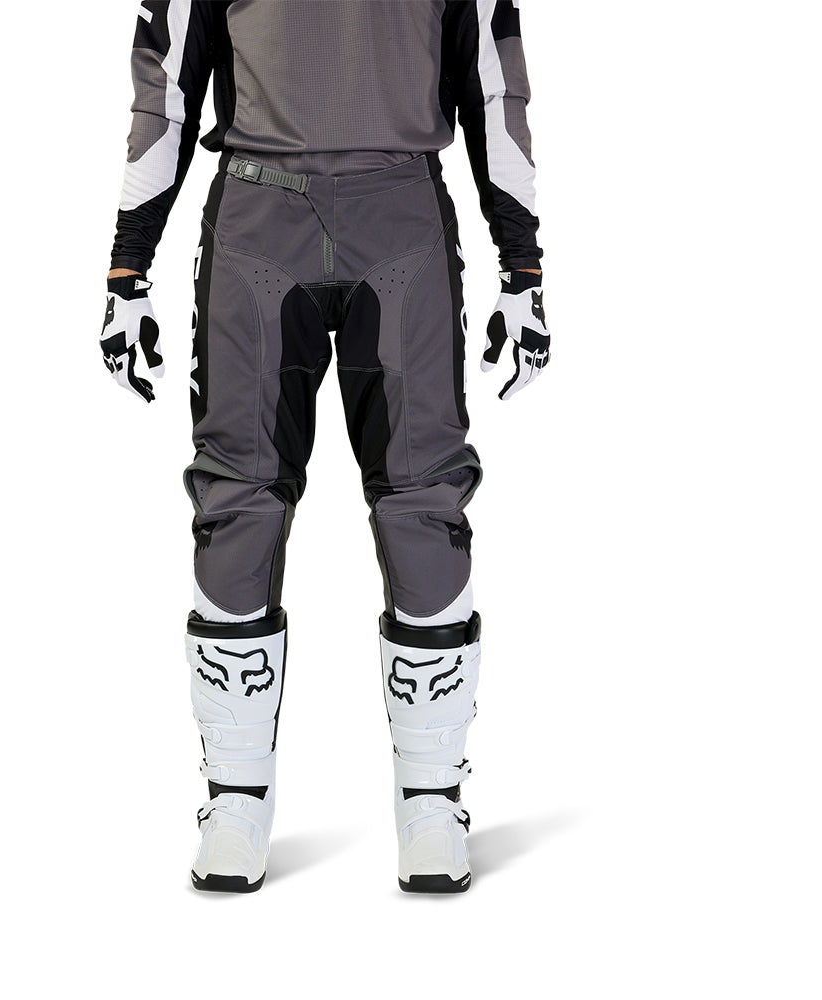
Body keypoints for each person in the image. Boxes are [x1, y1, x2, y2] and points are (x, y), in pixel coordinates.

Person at [100, 0, 551, 894]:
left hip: (401, 214)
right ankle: (236, 800)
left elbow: (493, 82)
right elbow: (168, 83)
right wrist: (127, 265)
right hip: (260, 214)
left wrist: (523, 266)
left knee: (423, 497)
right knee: (237, 499)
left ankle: (431, 801)